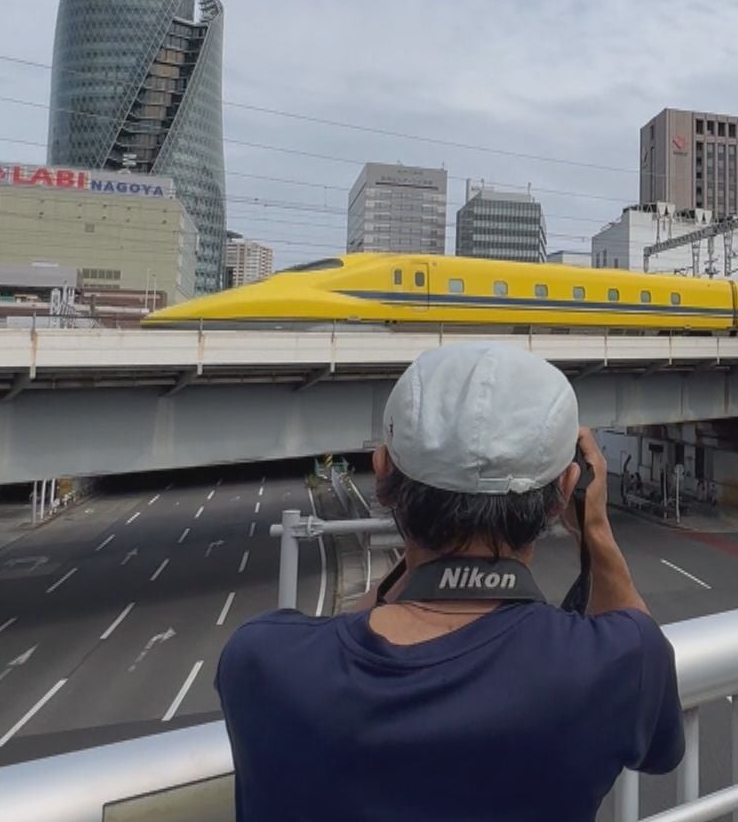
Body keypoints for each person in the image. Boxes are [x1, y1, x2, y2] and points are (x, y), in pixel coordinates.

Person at [217, 344, 685, 820]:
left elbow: (363, 624)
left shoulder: (263, 664)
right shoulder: (617, 663)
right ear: (565, 491)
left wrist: (419, 555)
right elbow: (661, 749)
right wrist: (596, 528)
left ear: (382, 477)